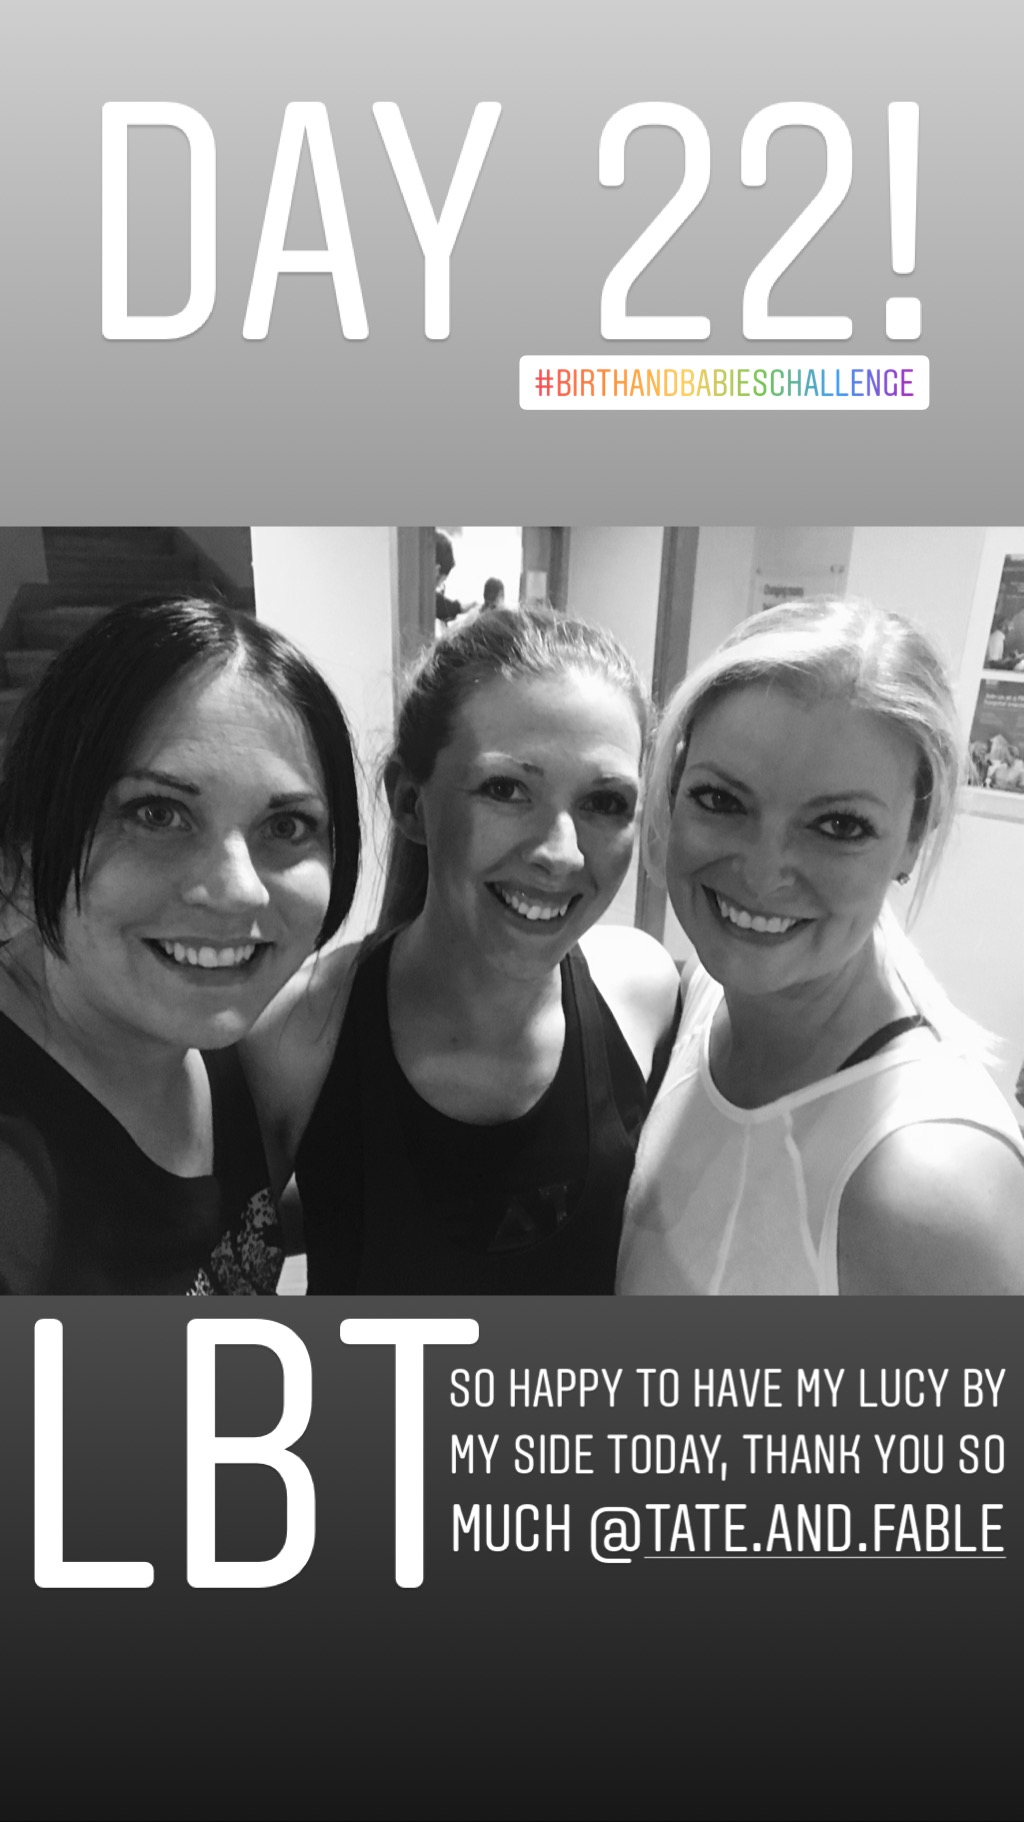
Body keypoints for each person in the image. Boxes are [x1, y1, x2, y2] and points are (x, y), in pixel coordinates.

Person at [244, 605, 681, 1292]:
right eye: (507, 790)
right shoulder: (298, 1035)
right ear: (410, 803)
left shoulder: (643, 992)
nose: (561, 854)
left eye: (604, 803)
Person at [617, 597, 1024, 1297]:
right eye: (721, 800)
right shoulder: (710, 999)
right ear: (674, 787)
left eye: (838, 825)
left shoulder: (933, 1186)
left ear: (914, 836)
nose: (761, 873)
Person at [0, 598, 360, 1293]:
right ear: (33, 833)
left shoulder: (226, 1035)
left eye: (287, 826)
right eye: (157, 813)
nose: (239, 891)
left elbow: (190, 1228)